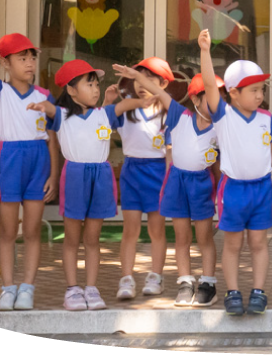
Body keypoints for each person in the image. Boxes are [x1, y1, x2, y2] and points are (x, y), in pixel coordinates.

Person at [29, 60, 155, 311]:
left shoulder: (104, 113)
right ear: (72, 90)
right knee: (72, 238)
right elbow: (50, 110)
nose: (95, 89)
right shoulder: (62, 115)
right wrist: (41, 105)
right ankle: (72, 289)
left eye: (97, 84)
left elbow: (123, 105)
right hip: (75, 175)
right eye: (89, 84)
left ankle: (91, 287)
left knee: (93, 238)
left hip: (101, 176)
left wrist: (141, 102)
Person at [197, 29, 272, 316]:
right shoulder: (223, 115)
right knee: (234, 243)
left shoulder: (267, 118)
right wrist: (204, 51)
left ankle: (259, 291)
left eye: (262, 89)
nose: (260, 95)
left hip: (262, 188)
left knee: (260, 243)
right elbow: (211, 86)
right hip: (234, 189)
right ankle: (233, 292)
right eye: (254, 90)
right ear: (234, 93)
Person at [114, 66, 221, 308]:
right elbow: (155, 90)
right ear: (195, 98)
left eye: (220, 98)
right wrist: (136, 77)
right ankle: (185, 283)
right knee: (181, 237)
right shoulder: (178, 115)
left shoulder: (220, 124)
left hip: (201, 184)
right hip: (176, 182)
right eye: (211, 98)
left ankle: (208, 284)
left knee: (204, 237)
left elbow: (221, 161)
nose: (217, 104)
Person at [0, 14, 56, 311]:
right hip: (9, 160)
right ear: (6, 63)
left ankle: (27, 288)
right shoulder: (0, 93)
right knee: (8, 230)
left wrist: (54, 175)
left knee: (32, 230)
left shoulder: (45, 95)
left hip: (38, 161)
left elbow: (54, 137)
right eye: (21, 58)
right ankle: (7, 288)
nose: (30, 63)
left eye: (32, 57)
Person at [108, 57, 174, 300]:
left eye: (149, 79)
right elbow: (104, 118)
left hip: (158, 173)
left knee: (157, 230)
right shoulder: (127, 109)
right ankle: (126, 278)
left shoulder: (168, 113)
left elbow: (170, 151)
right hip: (131, 172)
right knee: (130, 230)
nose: (142, 84)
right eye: (138, 78)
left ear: (163, 84)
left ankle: (155, 276)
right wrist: (111, 99)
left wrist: (169, 180)